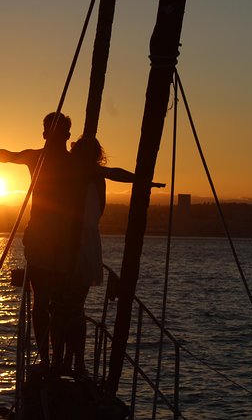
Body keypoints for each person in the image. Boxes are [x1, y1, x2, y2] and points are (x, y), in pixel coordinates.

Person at [0, 111, 74, 369]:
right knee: (57, 302)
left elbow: (9, 155)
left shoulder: (41, 158)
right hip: (54, 239)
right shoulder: (55, 160)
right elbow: (8, 155)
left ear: (48, 133)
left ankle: (51, 359)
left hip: (50, 239)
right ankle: (56, 359)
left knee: (45, 301)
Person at [50, 136, 164, 377]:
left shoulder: (87, 174)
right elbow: (114, 175)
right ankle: (67, 360)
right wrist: (143, 181)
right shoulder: (90, 175)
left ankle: (68, 360)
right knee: (68, 307)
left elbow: (116, 173)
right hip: (76, 242)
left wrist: (143, 181)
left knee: (66, 307)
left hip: (76, 243)